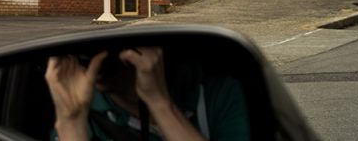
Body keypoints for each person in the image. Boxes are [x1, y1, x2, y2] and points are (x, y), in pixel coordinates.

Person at [45, 47, 250, 141]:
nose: (96, 64)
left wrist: (159, 102)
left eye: (111, 51)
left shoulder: (218, 94)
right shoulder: (84, 114)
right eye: (85, 56)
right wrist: (72, 121)